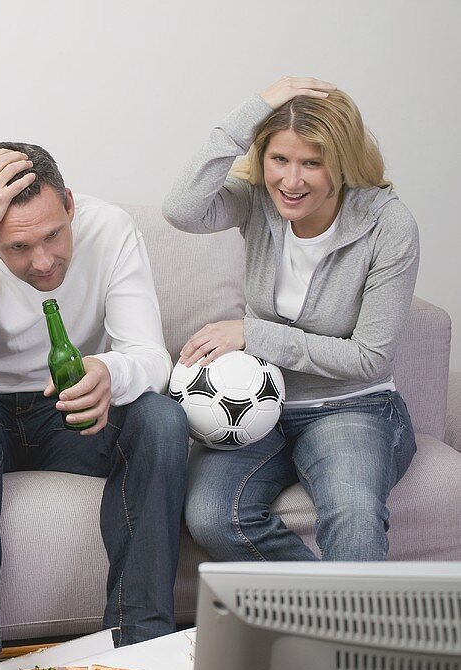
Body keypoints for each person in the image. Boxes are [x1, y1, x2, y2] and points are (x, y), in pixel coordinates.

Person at [0, 142, 189, 669]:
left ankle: (142, 649)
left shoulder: (109, 228)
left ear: (68, 203)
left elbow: (151, 357)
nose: (43, 262)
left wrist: (110, 371)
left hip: (66, 408)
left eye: (53, 235)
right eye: (18, 247)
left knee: (161, 417)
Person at [163, 77, 419, 562]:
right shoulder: (258, 200)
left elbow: (369, 358)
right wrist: (252, 111)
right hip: (261, 406)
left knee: (354, 514)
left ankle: (351, 635)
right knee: (213, 517)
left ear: (341, 165)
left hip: (351, 406)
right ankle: (320, 615)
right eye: (279, 159)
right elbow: (180, 210)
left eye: (312, 163)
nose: (291, 180)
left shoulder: (389, 225)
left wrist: (252, 334)